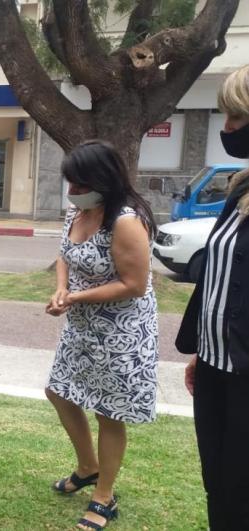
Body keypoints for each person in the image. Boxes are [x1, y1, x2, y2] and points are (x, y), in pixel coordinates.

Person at [44, 140, 158, 530]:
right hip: (82, 324)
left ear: (103, 180)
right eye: (70, 184)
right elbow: (64, 254)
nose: (72, 192)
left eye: (79, 184)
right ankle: (88, 466)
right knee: (58, 391)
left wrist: (74, 296)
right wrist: (62, 289)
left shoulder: (126, 220)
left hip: (121, 330)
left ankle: (104, 496)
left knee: (109, 411)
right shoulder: (77, 211)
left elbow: (134, 284)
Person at [177, 65, 249, 530]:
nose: (226, 129)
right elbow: (219, 275)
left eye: (236, 117)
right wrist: (204, 348)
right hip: (216, 369)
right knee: (218, 483)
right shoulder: (239, 188)